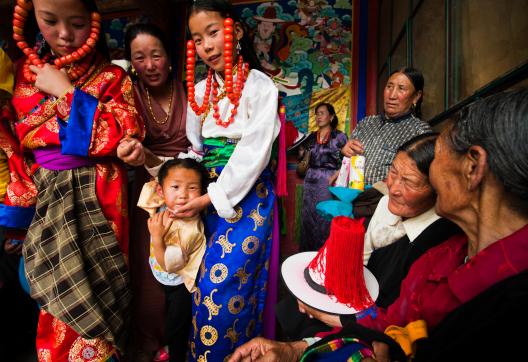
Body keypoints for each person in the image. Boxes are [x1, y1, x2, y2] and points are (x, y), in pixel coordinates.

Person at [229, 88, 528, 361]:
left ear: (472, 168)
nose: (393, 186)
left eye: (436, 158)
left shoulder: (508, 295)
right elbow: (388, 323)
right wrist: (294, 350)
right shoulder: (444, 258)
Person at [10, 0, 143, 360]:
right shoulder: (22, 75)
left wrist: (67, 92)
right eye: (50, 22)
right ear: (32, 17)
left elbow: (122, 133)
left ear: (95, 21)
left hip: (100, 193)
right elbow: (18, 139)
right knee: (56, 295)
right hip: (47, 192)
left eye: (78, 23)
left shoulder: (114, 78)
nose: (65, 35)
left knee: (102, 289)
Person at [276, 133, 461, 340]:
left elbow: (399, 319)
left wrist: (328, 315)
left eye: (409, 182)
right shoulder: (385, 204)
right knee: (293, 307)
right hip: (356, 294)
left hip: (378, 322)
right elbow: (359, 260)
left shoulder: (439, 241)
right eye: (392, 171)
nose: (393, 187)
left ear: (437, 189)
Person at [180, 0, 280, 360]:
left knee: (220, 287)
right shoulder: (200, 91)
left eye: (213, 33)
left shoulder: (260, 86)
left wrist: (212, 197)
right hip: (204, 194)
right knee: (196, 285)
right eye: (198, 39)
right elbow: (194, 149)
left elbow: (254, 152)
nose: (206, 45)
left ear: (235, 31)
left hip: (247, 198)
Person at [118, 22, 191, 361]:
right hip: (148, 202)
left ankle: (180, 344)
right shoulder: (127, 97)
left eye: (156, 55)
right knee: (150, 273)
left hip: (190, 195)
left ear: (171, 58)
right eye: (140, 58)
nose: (149, 65)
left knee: (187, 267)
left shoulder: (192, 92)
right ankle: (149, 342)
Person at [136, 158, 209, 362]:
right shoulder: (163, 201)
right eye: (175, 187)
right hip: (164, 278)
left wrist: (157, 237)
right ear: (161, 191)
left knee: (176, 324)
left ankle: (177, 355)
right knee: (164, 309)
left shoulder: (188, 230)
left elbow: (168, 264)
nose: (182, 195)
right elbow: (152, 186)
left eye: (192, 188)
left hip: (180, 281)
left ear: (202, 193)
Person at [341, 67, 431, 186]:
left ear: (416, 96)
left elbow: (419, 180)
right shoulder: (366, 123)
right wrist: (344, 152)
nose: (392, 95)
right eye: (389, 86)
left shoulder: (420, 132)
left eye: (401, 88)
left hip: (388, 201)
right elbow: (346, 161)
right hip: (351, 197)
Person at [299, 102, 347, 251]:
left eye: (322, 113)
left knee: (323, 218)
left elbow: (349, 160)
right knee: (308, 217)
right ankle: (307, 255)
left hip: (327, 180)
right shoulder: (311, 137)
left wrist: (338, 174)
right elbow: (303, 157)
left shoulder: (339, 137)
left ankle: (324, 255)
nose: (318, 117)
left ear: (331, 117)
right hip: (310, 179)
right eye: (317, 114)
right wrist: (303, 154)